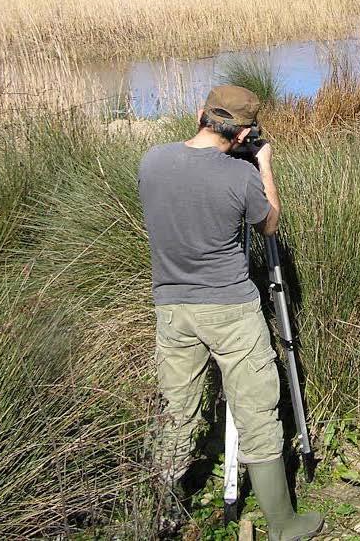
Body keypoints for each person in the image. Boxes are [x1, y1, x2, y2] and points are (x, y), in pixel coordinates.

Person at [138, 85, 323, 541]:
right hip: (230, 309)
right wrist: (262, 164)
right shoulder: (240, 177)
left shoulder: (152, 161)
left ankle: (154, 510)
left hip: (171, 307)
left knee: (176, 411)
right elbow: (270, 222)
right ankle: (283, 523)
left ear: (201, 114)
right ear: (243, 134)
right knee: (257, 409)